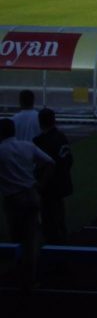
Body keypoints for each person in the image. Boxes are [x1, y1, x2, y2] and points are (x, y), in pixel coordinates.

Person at [0, 117, 54, 291]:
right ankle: (30, 278)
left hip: (12, 198)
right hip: (31, 194)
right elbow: (50, 163)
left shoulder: (1, 150)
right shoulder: (27, 146)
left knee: (15, 237)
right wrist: (40, 184)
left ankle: (18, 276)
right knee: (31, 239)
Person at [33, 108, 73, 244]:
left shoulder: (41, 141)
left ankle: (53, 248)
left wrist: (41, 184)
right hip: (62, 182)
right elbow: (69, 160)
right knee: (60, 216)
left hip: (49, 186)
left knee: (49, 219)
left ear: (40, 122)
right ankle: (63, 243)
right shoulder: (61, 136)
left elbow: (42, 165)